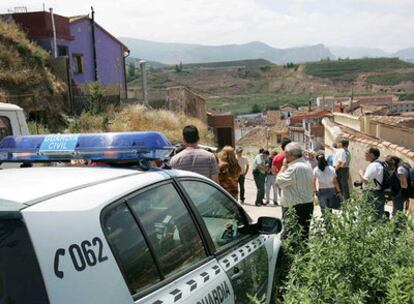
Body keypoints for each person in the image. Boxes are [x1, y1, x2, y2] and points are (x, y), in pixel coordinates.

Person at [276, 142, 314, 239]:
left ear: (289, 154)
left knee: (290, 237)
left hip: (295, 207)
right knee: (303, 236)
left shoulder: (295, 168)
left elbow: (278, 181)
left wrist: (283, 166)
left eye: (285, 154)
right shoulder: (306, 165)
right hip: (306, 205)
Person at [358, 147, 385, 218]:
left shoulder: (373, 165)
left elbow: (366, 181)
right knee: (377, 216)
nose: (364, 155)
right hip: (380, 192)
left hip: (371, 194)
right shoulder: (380, 164)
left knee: (364, 215)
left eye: (366, 153)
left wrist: (360, 173)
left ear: (372, 155)